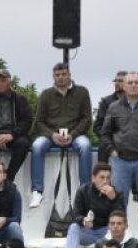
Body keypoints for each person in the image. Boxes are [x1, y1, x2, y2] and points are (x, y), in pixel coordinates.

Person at [99, 72, 138, 237]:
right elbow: (105, 133)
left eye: (137, 82)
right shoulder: (114, 107)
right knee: (119, 204)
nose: (133, 85)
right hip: (120, 160)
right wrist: (112, 151)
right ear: (123, 85)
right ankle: (119, 241)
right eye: (130, 83)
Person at [30, 62, 93, 206]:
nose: (61, 78)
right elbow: (38, 122)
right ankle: (37, 191)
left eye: (64, 74)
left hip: (75, 135)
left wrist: (74, 134)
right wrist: (52, 135)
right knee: (37, 145)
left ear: (70, 75)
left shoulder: (82, 92)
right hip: (51, 136)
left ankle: (85, 191)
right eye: (57, 75)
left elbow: (87, 119)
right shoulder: (46, 94)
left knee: (85, 145)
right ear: (53, 76)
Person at [66, 163, 126, 248]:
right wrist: (84, 221)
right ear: (93, 178)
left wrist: (113, 199)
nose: (105, 181)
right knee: (74, 227)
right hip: (88, 232)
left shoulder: (117, 193)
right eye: (102, 177)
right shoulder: (83, 191)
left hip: (107, 233)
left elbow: (121, 218)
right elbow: (75, 215)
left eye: (108, 178)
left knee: (117, 226)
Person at [93, 71, 128, 164]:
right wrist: (108, 139)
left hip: (129, 139)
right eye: (115, 81)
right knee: (103, 146)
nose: (117, 83)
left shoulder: (135, 101)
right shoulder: (106, 102)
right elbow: (97, 126)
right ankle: (101, 174)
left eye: (120, 81)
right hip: (109, 139)